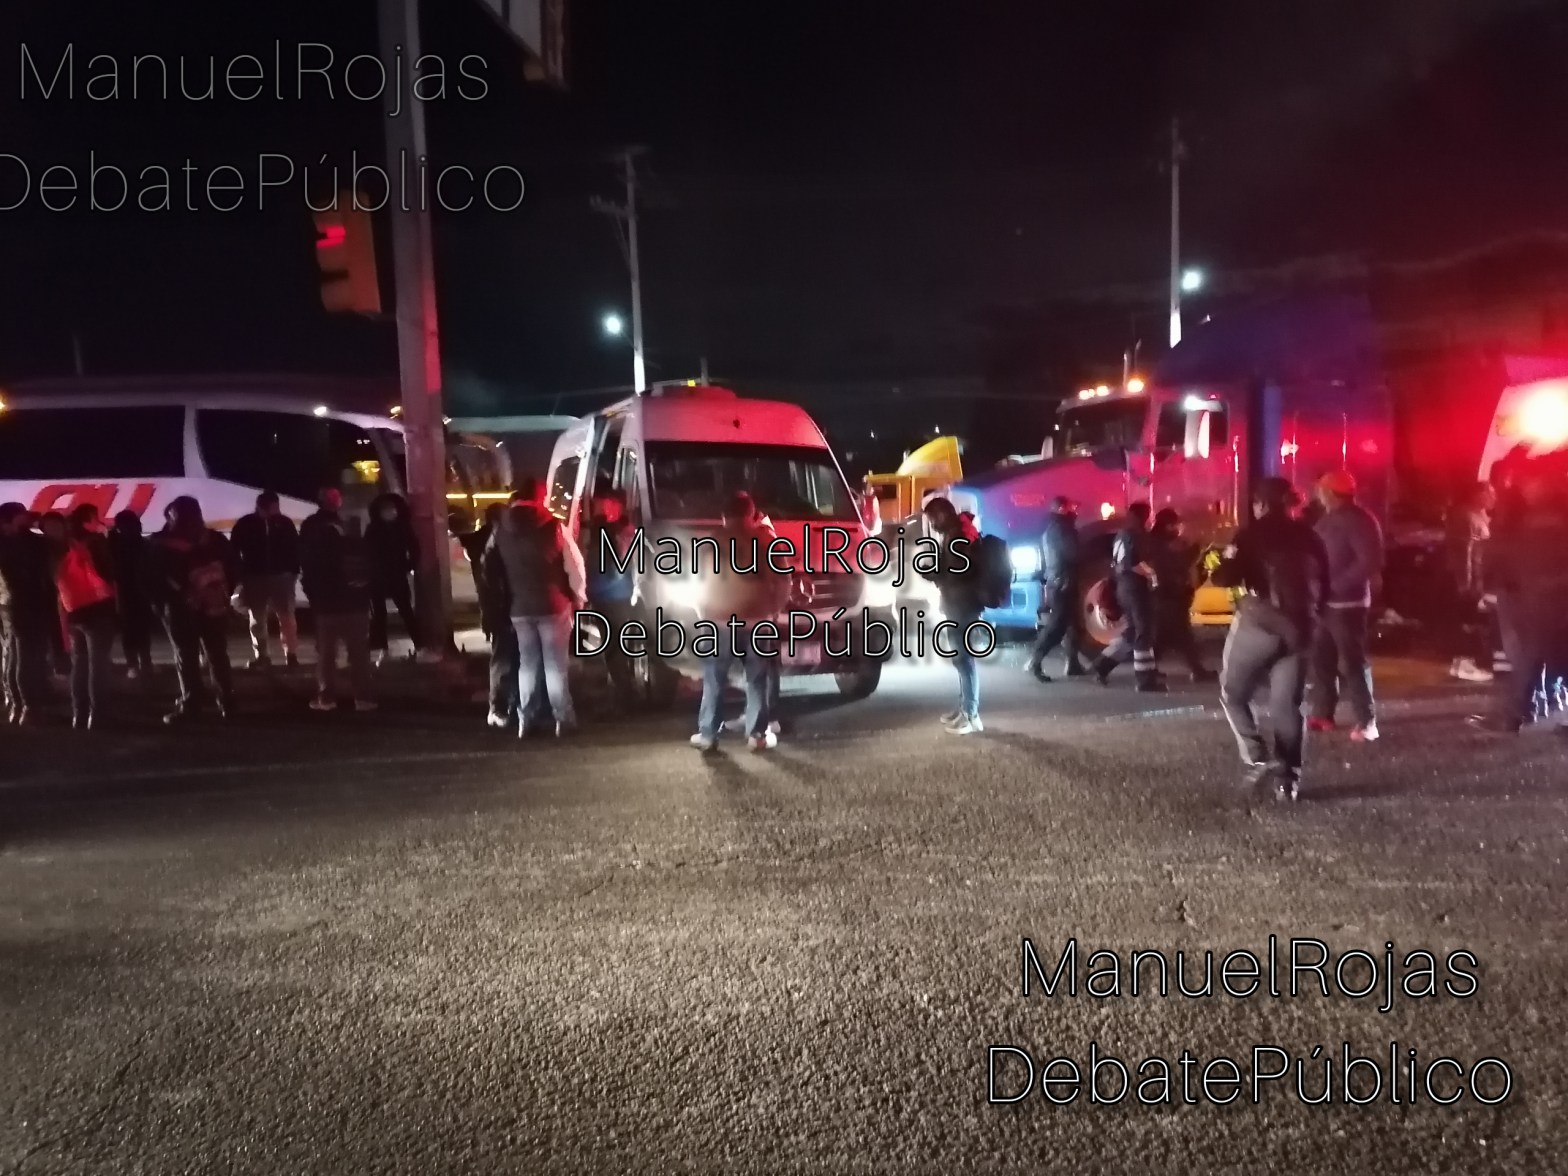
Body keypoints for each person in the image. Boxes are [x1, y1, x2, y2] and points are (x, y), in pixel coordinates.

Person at [1211, 477, 1331, 801]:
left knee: (1233, 693)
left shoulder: (1251, 534)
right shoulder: (1311, 536)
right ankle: (1288, 780)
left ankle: (1257, 756)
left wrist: (1220, 560)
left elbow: (1224, 577)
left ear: (1261, 504)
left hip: (1260, 625)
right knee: (1287, 705)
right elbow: (1326, 586)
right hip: (1302, 629)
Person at [1468, 466, 1568, 734]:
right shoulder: (1547, 513)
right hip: (1538, 597)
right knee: (1539, 657)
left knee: (1527, 658)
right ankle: (1528, 713)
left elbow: (1500, 553)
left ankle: (1516, 715)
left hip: (1532, 599)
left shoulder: (1527, 516)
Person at [690, 491, 790, 752]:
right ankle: (756, 735)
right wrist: (774, 610)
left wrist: (702, 612)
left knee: (714, 679)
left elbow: (697, 583)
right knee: (756, 680)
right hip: (757, 622)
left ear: (724, 516)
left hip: (719, 622)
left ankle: (708, 734)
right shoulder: (766, 541)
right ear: (751, 514)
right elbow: (783, 582)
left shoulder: (710, 542)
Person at [487, 476, 585, 738]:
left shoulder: (501, 530)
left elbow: (490, 567)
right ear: (540, 497)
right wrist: (578, 597)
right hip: (554, 605)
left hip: (519, 607)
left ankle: (526, 720)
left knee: (527, 665)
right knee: (555, 666)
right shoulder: (554, 526)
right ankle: (563, 718)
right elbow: (574, 566)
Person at [1307, 470, 1384, 742]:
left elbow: (1369, 562)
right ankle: (1323, 713)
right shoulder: (1329, 519)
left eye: (1321, 490)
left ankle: (1367, 721)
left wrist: (1334, 586)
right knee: (1322, 660)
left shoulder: (1360, 521)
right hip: (1324, 603)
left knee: (1352, 662)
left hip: (1347, 605)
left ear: (1330, 493)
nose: (1318, 494)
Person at [149, 496, 239, 724]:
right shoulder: (215, 540)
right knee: (218, 654)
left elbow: (150, 578)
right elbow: (234, 567)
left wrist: (161, 604)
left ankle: (192, 704)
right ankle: (227, 703)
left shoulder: (161, 545)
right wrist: (223, 594)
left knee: (186, 657)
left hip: (179, 609)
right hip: (214, 606)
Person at [300, 488, 377, 713]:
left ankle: (326, 698)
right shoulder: (353, 541)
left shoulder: (313, 539)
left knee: (326, 654)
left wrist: (314, 598)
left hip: (327, 608)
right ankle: (364, 698)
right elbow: (369, 572)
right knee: (359, 653)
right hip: (355, 606)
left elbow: (308, 574)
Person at [920, 495, 986, 734]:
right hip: (958, 604)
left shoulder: (957, 535)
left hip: (962, 606)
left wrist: (934, 573)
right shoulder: (955, 533)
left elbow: (959, 572)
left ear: (941, 514)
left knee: (964, 660)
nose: (932, 524)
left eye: (932, 518)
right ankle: (965, 709)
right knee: (961, 660)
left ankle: (971, 714)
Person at [54, 504, 119, 730]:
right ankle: (98, 714)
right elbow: (109, 572)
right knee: (98, 663)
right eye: (96, 517)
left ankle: (78, 714)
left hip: (72, 608)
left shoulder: (62, 544)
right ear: (88, 519)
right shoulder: (96, 542)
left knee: (79, 662)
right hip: (98, 607)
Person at [1092, 502, 1166, 692]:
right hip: (1135, 589)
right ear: (1144, 515)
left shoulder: (1122, 533)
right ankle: (1144, 680)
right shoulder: (1135, 534)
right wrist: (1152, 574)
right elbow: (1132, 563)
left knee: (1132, 632)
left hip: (1124, 587)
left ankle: (1102, 665)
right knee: (1143, 632)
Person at [231, 491, 301, 669]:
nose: (277, 510)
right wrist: (241, 574)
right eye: (274, 507)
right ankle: (263, 655)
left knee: (285, 617)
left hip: (280, 576)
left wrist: (293, 572)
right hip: (256, 577)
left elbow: (295, 548)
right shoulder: (246, 524)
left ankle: (290, 654)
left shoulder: (284, 523)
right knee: (258, 618)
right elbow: (234, 550)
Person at [0, 502, 55, 725]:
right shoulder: (18, 543)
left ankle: (17, 704)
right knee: (27, 656)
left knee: (14, 655)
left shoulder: (12, 540)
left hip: (8, 604)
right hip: (25, 603)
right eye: (23, 515)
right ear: (13, 518)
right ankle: (29, 707)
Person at [584, 489, 639, 710]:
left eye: (606, 504)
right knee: (618, 647)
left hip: (609, 597)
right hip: (617, 596)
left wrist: (591, 590)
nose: (602, 509)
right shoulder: (619, 531)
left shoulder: (612, 533)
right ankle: (623, 692)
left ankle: (624, 696)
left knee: (614, 648)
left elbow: (615, 568)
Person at [1025, 495, 1087, 682]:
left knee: (1074, 625)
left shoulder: (1055, 528)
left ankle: (1073, 664)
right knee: (1057, 627)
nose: (1075, 511)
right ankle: (1035, 662)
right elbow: (1074, 554)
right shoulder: (1062, 529)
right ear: (1061, 509)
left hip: (1060, 582)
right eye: (1071, 507)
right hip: (1063, 584)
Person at [1150, 507, 1215, 683]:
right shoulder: (1162, 543)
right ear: (1167, 525)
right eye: (1174, 525)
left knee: (1165, 636)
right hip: (1169, 594)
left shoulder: (1157, 541)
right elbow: (1179, 562)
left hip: (1168, 594)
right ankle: (1197, 671)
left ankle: (1148, 669)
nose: (1177, 528)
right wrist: (1197, 548)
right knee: (1181, 635)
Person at [473, 503, 519, 728]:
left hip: (507, 610)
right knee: (504, 660)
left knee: (511, 659)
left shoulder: (498, 543)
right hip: (503, 613)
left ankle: (508, 706)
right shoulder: (495, 545)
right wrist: (494, 616)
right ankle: (498, 708)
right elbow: (491, 588)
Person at [1445, 482, 1495, 684]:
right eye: (1489, 493)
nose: (1493, 498)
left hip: (1475, 577)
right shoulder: (1465, 516)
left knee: (1469, 620)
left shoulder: (1480, 515)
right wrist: (1465, 582)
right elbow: (1463, 551)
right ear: (1477, 494)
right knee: (1468, 622)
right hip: (1468, 579)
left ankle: (1461, 663)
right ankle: (1465, 664)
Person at [365, 492, 420, 663]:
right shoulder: (373, 529)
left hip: (396, 575)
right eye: (386, 509)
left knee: (406, 611)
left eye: (392, 508)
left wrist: (408, 566)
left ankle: (420, 645)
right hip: (378, 577)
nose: (390, 512)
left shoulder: (402, 528)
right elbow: (367, 552)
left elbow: (415, 549)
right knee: (379, 615)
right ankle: (383, 649)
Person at [107, 511, 155, 679]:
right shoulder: (124, 545)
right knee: (136, 630)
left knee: (134, 630)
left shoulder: (115, 544)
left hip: (129, 592)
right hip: (130, 592)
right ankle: (139, 664)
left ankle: (138, 664)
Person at [37, 510, 70, 677]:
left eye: (56, 526)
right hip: (51, 596)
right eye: (48, 527)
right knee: (56, 632)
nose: (52, 530)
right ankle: (60, 664)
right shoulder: (40, 547)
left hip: (75, 594)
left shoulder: (71, 544)